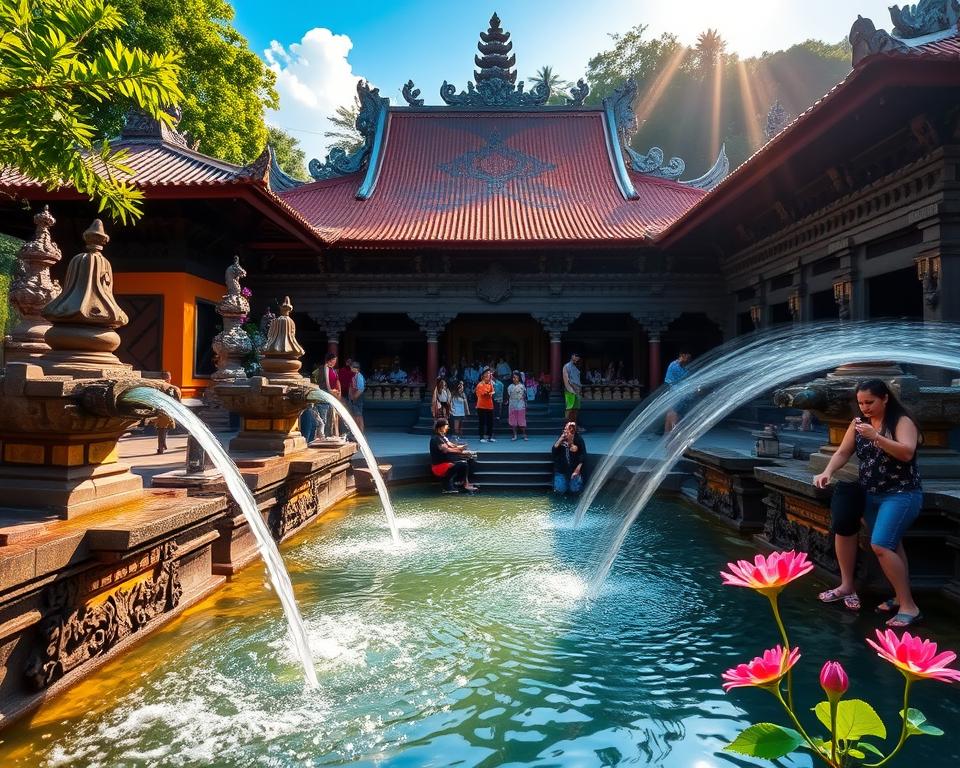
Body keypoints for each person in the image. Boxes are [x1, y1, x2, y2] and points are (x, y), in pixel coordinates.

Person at [813, 379, 923, 628]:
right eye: (861, 403)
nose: (864, 407)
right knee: (893, 546)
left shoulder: (901, 421)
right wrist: (827, 471)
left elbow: (907, 452)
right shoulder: (858, 424)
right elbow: (842, 452)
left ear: (885, 398)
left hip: (901, 494)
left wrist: (877, 437)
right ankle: (899, 597)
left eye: (869, 402)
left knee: (881, 545)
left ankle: (910, 607)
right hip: (870, 494)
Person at [429, 418, 479, 493]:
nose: (448, 427)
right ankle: (458, 484)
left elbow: (451, 445)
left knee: (469, 460)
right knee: (463, 464)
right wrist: (460, 452)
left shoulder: (443, 437)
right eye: (447, 425)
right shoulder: (436, 438)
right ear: (441, 427)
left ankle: (462, 482)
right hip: (440, 466)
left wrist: (462, 447)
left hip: (446, 462)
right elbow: (446, 449)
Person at [663, 350, 693, 433]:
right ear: (682, 355)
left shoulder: (683, 367)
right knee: (674, 416)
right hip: (676, 395)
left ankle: (669, 440)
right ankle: (672, 440)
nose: (689, 360)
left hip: (680, 396)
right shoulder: (674, 366)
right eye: (688, 357)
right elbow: (678, 382)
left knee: (673, 415)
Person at [552, 421, 586, 494]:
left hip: (574, 469)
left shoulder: (578, 439)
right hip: (561, 469)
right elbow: (554, 451)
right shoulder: (561, 438)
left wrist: (577, 469)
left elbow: (582, 454)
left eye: (567, 429)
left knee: (575, 490)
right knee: (560, 490)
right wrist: (560, 439)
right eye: (565, 429)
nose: (565, 431)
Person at [317, 352, 341, 438]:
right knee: (324, 415)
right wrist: (330, 391)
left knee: (331, 415)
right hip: (326, 392)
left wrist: (338, 392)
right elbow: (327, 381)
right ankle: (322, 435)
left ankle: (329, 434)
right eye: (334, 360)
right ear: (330, 360)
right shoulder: (325, 367)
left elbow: (337, 381)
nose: (335, 362)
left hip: (332, 393)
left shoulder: (333, 369)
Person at [562, 352, 583, 428]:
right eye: (576, 356)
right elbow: (566, 379)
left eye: (578, 357)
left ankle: (574, 426)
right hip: (570, 390)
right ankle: (566, 427)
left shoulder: (577, 367)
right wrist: (570, 389)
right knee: (569, 408)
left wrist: (578, 390)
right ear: (572, 356)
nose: (577, 358)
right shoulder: (566, 366)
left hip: (577, 390)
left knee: (575, 409)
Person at [475, 368, 496, 442]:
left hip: (489, 405)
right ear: (483, 375)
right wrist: (489, 393)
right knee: (482, 422)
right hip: (481, 406)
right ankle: (481, 437)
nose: (488, 374)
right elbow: (483, 393)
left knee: (490, 422)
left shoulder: (490, 384)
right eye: (487, 373)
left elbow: (493, 392)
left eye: (489, 373)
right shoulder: (480, 384)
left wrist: (491, 393)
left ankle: (490, 437)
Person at [507, 371, 528, 441]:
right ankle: (515, 435)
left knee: (522, 421)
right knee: (513, 422)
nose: (514, 379)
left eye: (516, 377)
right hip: (512, 406)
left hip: (521, 406)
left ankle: (524, 434)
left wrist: (525, 404)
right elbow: (508, 396)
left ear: (519, 378)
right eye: (513, 377)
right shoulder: (510, 387)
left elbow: (525, 396)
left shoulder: (522, 386)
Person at [347, 360, 366, 434]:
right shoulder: (354, 376)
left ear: (356, 368)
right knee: (354, 415)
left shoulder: (359, 376)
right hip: (353, 398)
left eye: (352, 367)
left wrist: (354, 398)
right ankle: (356, 432)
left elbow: (360, 389)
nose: (351, 369)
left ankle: (361, 432)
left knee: (358, 415)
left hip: (357, 398)